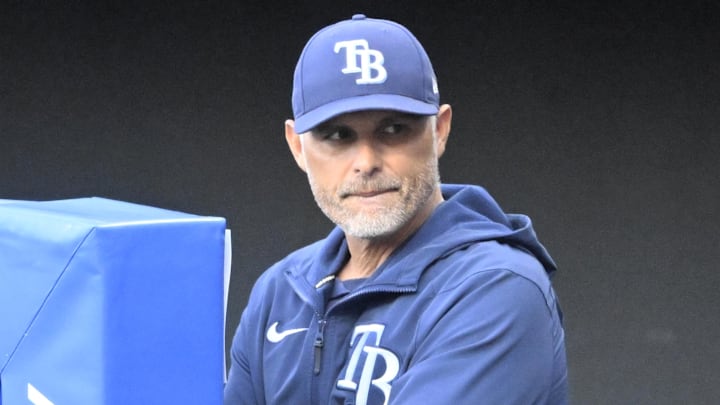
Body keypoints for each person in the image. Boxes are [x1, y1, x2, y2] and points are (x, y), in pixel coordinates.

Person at [224, 14, 568, 405]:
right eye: (338, 135)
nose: (366, 161)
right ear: (298, 147)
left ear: (439, 130)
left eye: (393, 130)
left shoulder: (497, 287)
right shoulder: (281, 289)